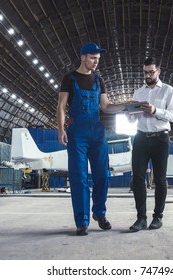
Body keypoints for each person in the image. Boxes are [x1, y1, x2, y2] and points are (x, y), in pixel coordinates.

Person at [57, 42, 126, 236]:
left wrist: (126, 105)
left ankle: (99, 213)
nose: (96, 62)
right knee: (79, 178)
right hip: (77, 133)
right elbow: (61, 106)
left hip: (97, 132)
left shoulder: (98, 80)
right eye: (93, 58)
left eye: (98, 59)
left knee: (103, 175)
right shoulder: (69, 79)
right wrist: (61, 129)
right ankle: (82, 222)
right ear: (83, 57)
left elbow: (106, 106)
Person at [128, 57, 173, 232]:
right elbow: (133, 116)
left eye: (151, 72)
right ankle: (141, 219)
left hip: (160, 138)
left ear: (158, 71)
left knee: (160, 179)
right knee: (138, 178)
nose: (148, 75)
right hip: (141, 137)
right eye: (145, 72)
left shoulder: (167, 91)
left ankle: (158, 217)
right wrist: (130, 115)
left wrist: (155, 111)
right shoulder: (138, 93)